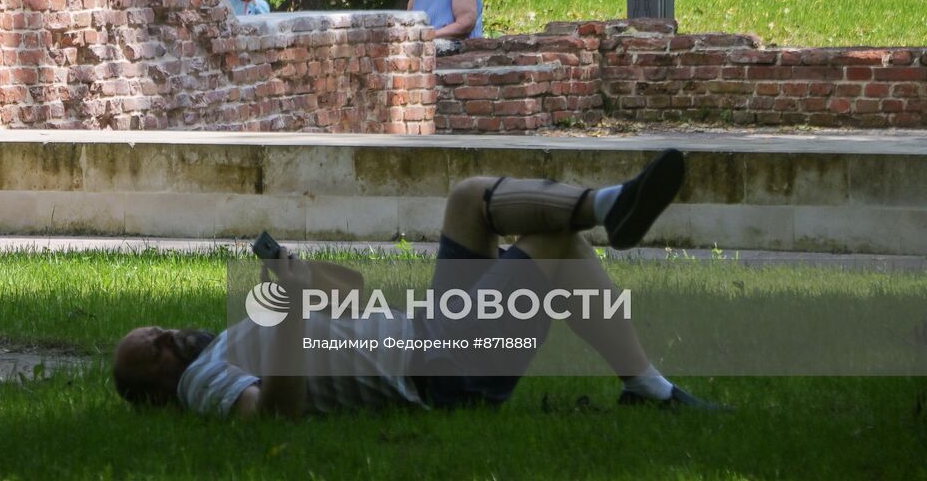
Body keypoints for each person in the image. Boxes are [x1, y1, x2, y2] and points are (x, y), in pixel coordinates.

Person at [113, 150, 726, 417]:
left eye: (158, 330)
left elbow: (351, 289)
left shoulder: (230, 338)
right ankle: (648, 388)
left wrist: (298, 278)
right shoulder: (204, 385)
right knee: (553, 247)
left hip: (430, 329)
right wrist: (293, 311)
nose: (168, 336)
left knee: (466, 198)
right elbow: (273, 416)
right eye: (155, 350)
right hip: (439, 370)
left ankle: (610, 202)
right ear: (160, 390)